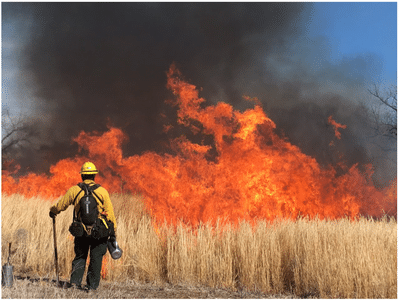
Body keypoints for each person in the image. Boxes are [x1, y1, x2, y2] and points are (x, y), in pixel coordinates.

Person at [49, 162, 117, 291]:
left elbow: (61, 205)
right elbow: (110, 214)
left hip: (81, 231)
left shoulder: (75, 190)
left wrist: (53, 211)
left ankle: (75, 283)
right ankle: (91, 287)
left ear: (82, 175)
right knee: (96, 258)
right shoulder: (102, 191)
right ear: (94, 176)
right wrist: (113, 232)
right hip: (99, 232)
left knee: (80, 256)